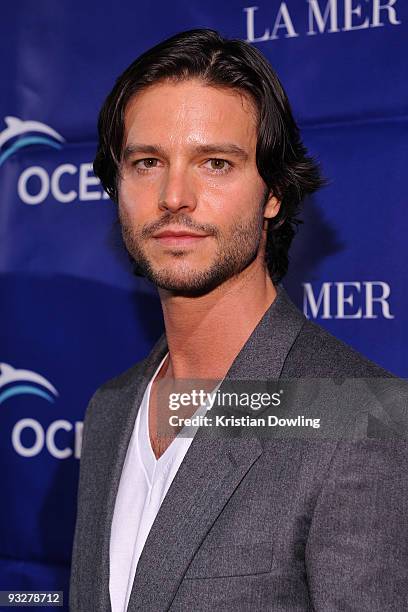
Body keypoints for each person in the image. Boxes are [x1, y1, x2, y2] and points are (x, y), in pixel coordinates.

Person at [69, 28, 408, 611]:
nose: (175, 195)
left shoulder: (360, 422)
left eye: (216, 163)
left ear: (273, 192)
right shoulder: (111, 409)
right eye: (148, 162)